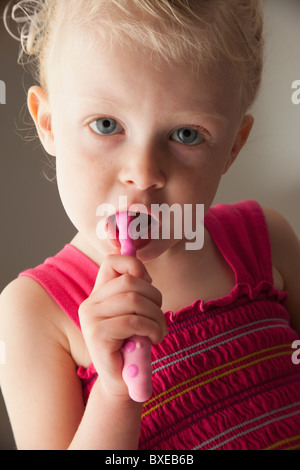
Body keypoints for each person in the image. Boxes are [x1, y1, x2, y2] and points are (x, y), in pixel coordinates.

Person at [1, 0, 300, 450]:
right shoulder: (32, 314)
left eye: (186, 134)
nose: (143, 173)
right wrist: (114, 393)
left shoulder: (267, 239)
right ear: (49, 124)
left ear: (232, 148)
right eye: (106, 125)